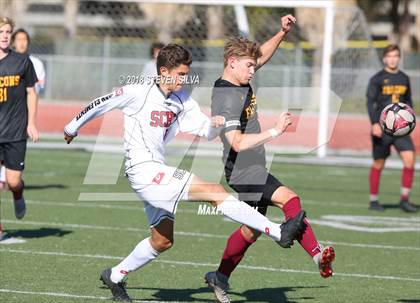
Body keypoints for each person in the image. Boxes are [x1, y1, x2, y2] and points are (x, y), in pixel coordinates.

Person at [64, 44, 306, 302]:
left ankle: (114, 275)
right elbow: (101, 103)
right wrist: (71, 127)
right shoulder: (137, 92)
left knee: (162, 241)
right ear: (164, 71)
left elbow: (204, 130)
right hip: (143, 171)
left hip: (156, 171)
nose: (184, 79)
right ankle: (278, 232)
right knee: (215, 191)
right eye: (180, 74)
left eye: (186, 74)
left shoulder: (182, 101)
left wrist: (215, 126)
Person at [205, 15, 335, 303]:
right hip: (242, 170)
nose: (254, 69)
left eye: (254, 65)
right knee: (291, 200)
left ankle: (219, 276)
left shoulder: (239, 76)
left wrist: (281, 32)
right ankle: (315, 254)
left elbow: (259, 55)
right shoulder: (226, 97)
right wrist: (275, 130)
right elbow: (236, 142)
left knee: (251, 229)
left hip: (253, 166)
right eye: (249, 65)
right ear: (231, 61)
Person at [367, 44, 417, 213]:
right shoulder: (377, 78)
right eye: (390, 56)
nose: (393, 59)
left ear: (399, 58)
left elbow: (408, 102)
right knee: (379, 163)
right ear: (384, 58)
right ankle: (373, 200)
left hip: (401, 129)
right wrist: (374, 123)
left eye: (396, 55)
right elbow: (370, 102)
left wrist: (411, 119)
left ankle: (404, 199)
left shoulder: (404, 77)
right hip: (382, 128)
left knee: (410, 159)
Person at [0, 17, 39, 221]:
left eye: (7, 32)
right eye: (1, 32)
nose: (5, 36)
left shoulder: (22, 61)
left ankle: (18, 194)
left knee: (13, 181)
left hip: (15, 130)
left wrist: (31, 122)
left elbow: (32, 93)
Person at [11, 28, 46, 94]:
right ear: (13, 43)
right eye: (19, 39)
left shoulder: (37, 63)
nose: (22, 43)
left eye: (24, 39)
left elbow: (40, 87)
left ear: (28, 42)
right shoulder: (7, 62)